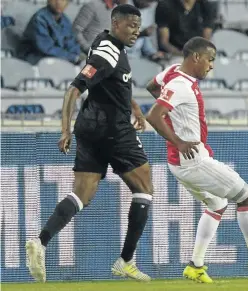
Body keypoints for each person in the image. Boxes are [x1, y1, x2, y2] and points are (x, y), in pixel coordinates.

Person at [25, 4, 153, 283]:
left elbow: (115, 83)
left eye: (138, 26)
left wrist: (136, 108)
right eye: (130, 25)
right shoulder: (107, 53)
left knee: (82, 195)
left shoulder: (104, 43)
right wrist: (63, 130)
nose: (136, 32)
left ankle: (41, 241)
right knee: (144, 188)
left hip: (90, 129)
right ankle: (126, 261)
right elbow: (74, 88)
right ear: (116, 24)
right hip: (113, 131)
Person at [145, 36, 248, 284]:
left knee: (217, 204)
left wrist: (174, 118)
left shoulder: (171, 73)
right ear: (196, 57)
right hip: (192, 158)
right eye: (210, 60)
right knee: (247, 196)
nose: (212, 66)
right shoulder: (180, 86)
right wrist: (178, 139)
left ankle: (195, 265)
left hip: (179, 162)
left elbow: (151, 87)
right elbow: (154, 116)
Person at [17, 0, 85, 65]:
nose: (58, 2)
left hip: (58, 58)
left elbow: (71, 43)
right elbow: (46, 48)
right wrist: (73, 57)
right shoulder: (39, 18)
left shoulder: (65, 20)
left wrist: (78, 56)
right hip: (34, 59)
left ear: (68, 3)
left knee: (90, 68)